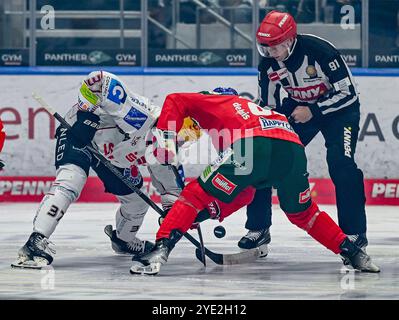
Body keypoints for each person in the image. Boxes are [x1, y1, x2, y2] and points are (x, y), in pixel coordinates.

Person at [129, 88, 380, 275]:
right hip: (293, 149)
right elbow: (246, 192)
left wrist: (166, 138)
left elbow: (175, 99)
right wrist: (204, 213)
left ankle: (159, 250)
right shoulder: (253, 113)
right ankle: (353, 253)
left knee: (194, 194)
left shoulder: (215, 101)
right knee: (304, 213)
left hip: (255, 144)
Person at [12, 71, 182, 269]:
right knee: (70, 180)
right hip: (78, 132)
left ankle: (123, 240)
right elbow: (98, 79)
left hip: (110, 155)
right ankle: (36, 240)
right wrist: (87, 114)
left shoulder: (167, 151)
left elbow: (172, 194)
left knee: (137, 202)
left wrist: (174, 214)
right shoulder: (144, 113)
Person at [239, 11, 369, 257]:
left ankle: (354, 233)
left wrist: (314, 110)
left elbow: (348, 94)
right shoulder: (268, 62)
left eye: (274, 48)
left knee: (342, 165)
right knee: (264, 160)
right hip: (298, 108)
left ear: (289, 41)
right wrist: (264, 129)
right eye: (264, 48)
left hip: (339, 112)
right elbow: (268, 105)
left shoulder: (321, 52)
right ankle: (258, 228)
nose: (269, 53)